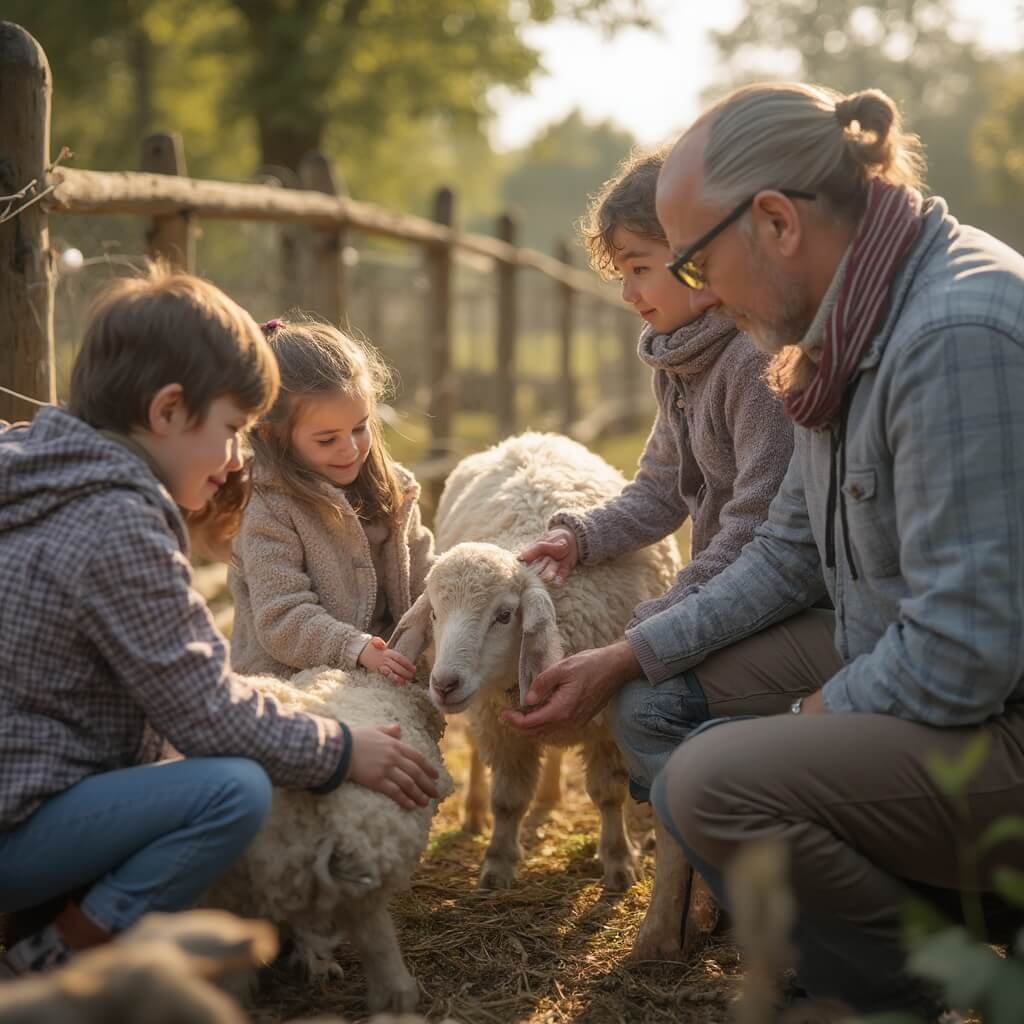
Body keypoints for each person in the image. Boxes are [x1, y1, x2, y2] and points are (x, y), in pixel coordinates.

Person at [511, 81, 1024, 1019]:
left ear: (778, 222)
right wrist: (629, 651)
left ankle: (922, 983)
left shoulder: (954, 337)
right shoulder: (842, 323)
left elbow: (963, 655)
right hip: (902, 656)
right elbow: (790, 546)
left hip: (995, 714)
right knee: (663, 704)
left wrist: (802, 718)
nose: (690, 296)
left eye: (693, 268)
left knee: (713, 775)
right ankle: (880, 924)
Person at [0, 270, 438, 979]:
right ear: (169, 411)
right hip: (18, 822)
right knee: (230, 791)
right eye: (234, 431)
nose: (239, 457)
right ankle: (50, 964)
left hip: (29, 789)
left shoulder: (28, 464)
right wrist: (338, 750)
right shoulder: (118, 520)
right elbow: (206, 713)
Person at [520, 144, 793, 697]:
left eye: (640, 268)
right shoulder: (678, 359)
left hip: (775, 598)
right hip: (722, 592)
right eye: (622, 273)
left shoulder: (754, 362)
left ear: (698, 254)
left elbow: (755, 526)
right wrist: (581, 538)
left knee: (640, 703)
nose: (628, 294)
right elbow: (661, 486)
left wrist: (665, 617)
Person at [228, 317, 435, 687]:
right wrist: (354, 647)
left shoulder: (396, 490)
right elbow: (282, 617)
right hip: (294, 688)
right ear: (272, 435)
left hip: (390, 679)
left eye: (360, 427)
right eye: (327, 440)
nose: (351, 449)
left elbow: (422, 576)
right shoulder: (267, 507)